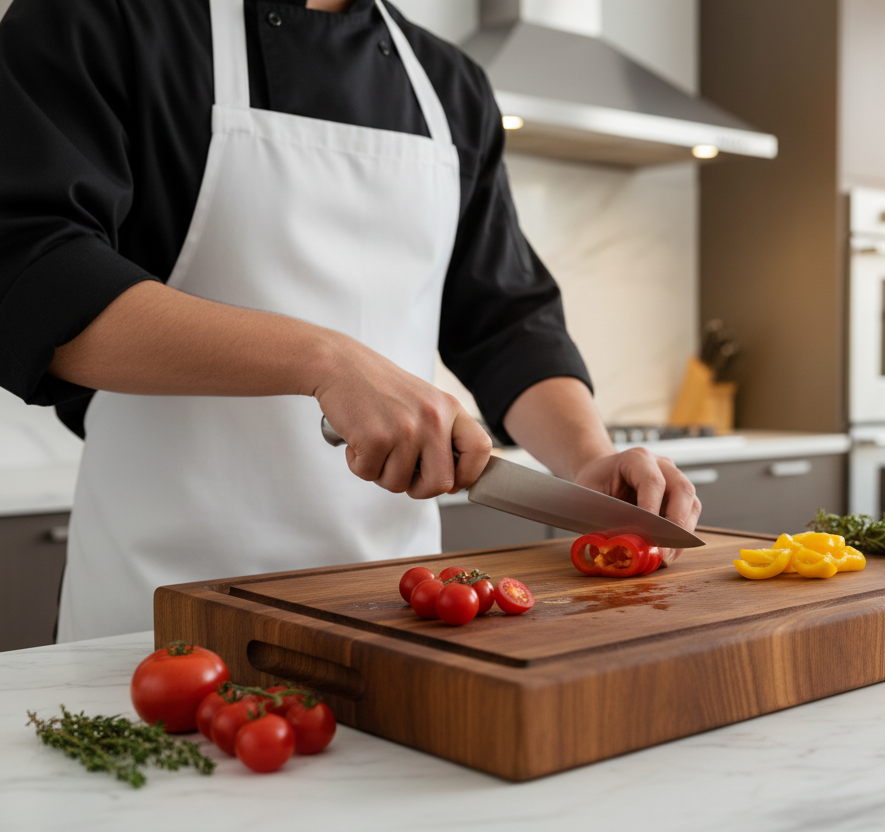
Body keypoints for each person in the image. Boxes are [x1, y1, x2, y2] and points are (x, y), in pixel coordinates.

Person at [0, 0, 700, 642]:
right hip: (157, 618)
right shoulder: (102, 16)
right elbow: (31, 272)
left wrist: (587, 459)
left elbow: (506, 319)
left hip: (402, 611)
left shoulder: (450, 85)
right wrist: (327, 361)